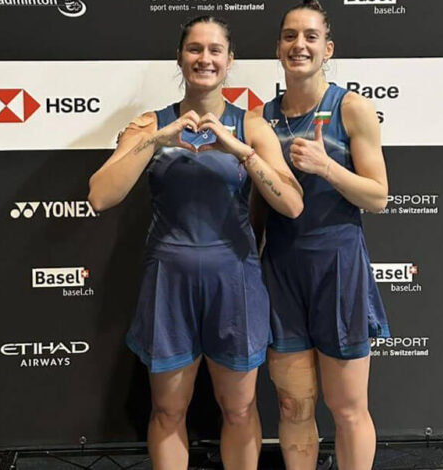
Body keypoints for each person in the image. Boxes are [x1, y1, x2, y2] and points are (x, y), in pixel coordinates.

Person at [87, 16, 304, 470]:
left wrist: (240, 150)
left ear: (229, 60)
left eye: (215, 50)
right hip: (170, 283)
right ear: (180, 57)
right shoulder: (150, 123)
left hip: (235, 281)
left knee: (240, 409)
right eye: (195, 49)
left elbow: (291, 204)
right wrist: (156, 140)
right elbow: (101, 196)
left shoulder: (250, 125)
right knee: (168, 410)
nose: (205, 58)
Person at [253, 1, 391, 469]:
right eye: (290, 36)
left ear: (327, 48)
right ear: (278, 48)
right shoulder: (261, 118)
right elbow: (256, 206)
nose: (300, 45)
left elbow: (378, 196)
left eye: (311, 37)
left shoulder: (352, 108)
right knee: (293, 406)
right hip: (282, 272)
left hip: (338, 269)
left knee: (348, 409)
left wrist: (326, 167)